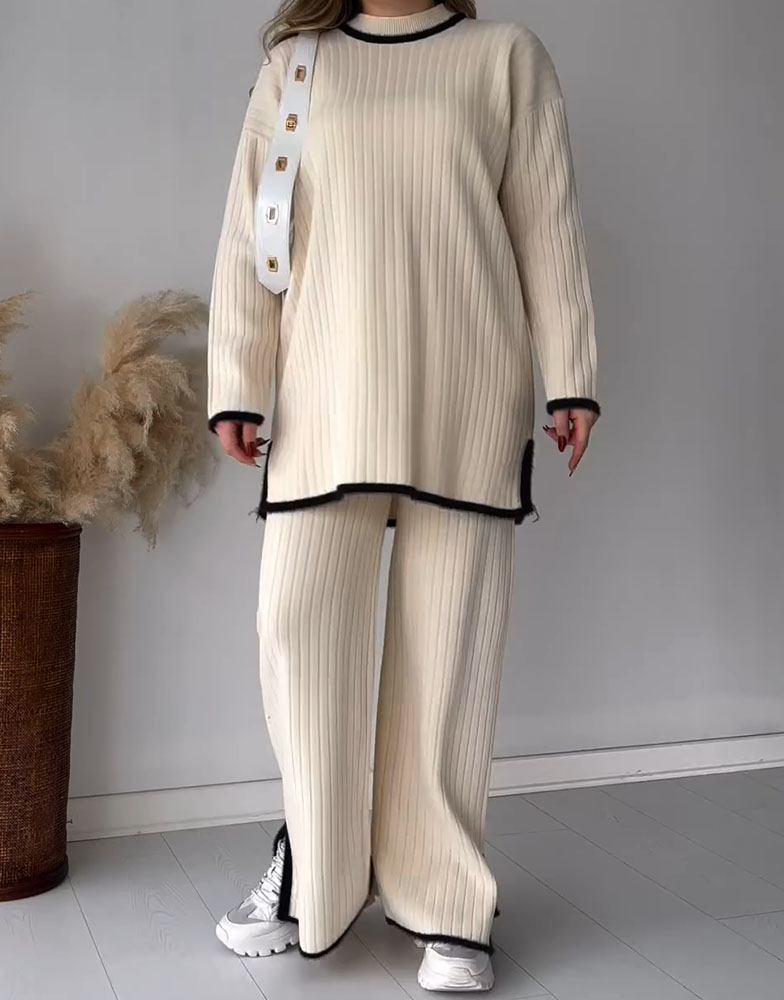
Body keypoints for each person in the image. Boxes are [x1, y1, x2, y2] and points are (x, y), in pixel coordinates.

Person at [206, 0, 599, 991]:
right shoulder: (298, 66)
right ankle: (313, 867)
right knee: (294, 628)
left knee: (447, 657)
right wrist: (237, 381)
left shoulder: (503, 58)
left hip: (465, 390)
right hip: (324, 397)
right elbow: (253, 232)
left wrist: (571, 377)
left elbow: (545, 221)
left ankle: (448, 903)